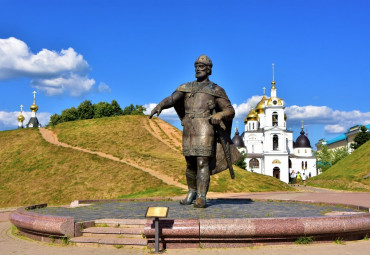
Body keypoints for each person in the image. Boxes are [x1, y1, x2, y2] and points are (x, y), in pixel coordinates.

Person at [149, 55, 236, 208]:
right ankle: (191, 192)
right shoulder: (186, 87)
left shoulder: (216, 90)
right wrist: (160, 105)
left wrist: (219, 114)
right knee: (190, 163)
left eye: (201, 66)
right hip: (189, 128)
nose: (197, 69)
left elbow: (230, 110)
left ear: (208, 70)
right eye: (196, 66)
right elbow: (172, 98)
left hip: (205, 128)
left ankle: (201, 196)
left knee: (202, 161)